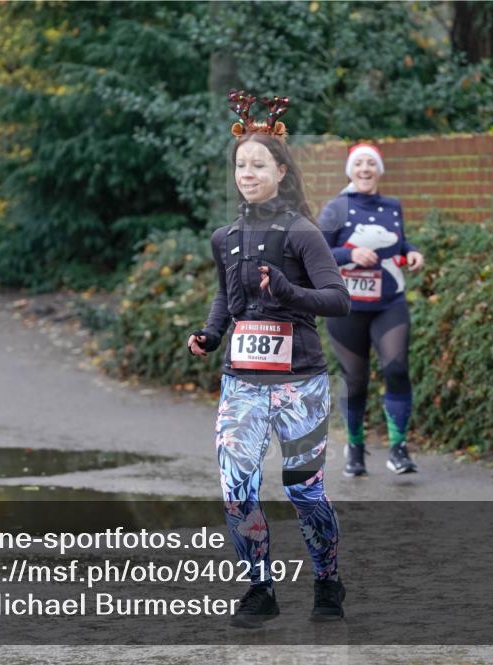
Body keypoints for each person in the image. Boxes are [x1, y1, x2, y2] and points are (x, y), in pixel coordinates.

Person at [187, 90, 351, 628]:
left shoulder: (304, 234)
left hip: (299, 384)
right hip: (242, 384)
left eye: (259, 164)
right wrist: (211, 335)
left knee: (304, 491)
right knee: (236, 488)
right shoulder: (225, 236)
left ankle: (326, 579)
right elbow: (224, 297)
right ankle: (260, 588)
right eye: (241, 165)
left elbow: (337, 300)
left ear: (281, 171)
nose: (247, 173)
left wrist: (285, 290)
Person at [318, 143, 424, 477]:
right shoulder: (336, 207)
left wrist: (413, 252)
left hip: (389, 301)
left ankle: (398, 449)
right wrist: (350, 255)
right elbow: (317, 254)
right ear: (350, 171)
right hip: (347, 305)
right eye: (359, 164)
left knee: (396, 368)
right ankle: (355, 448)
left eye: (371, 164)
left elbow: (399, 243)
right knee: (356, 381)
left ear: (379, 170)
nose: (365, 169)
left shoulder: (393, 206)